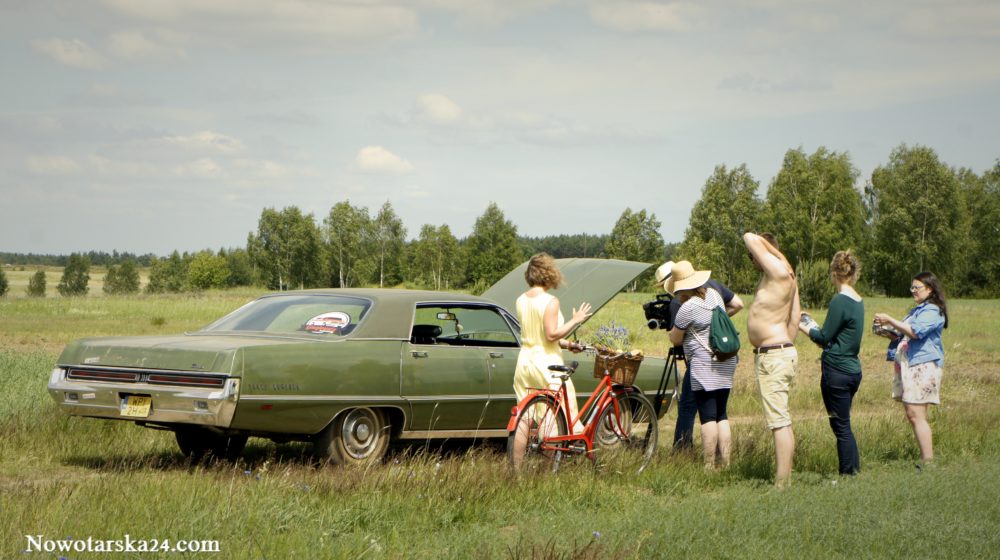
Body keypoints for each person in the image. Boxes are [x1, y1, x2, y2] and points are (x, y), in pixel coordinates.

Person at [654, 261, 744, 452]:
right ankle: (725, 461)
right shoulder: (715, 296)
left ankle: (707, 463)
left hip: (704, 365)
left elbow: (676, 340)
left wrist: (673, 331)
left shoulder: (686, 307)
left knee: (707, 416)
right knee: (722, 415)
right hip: (725, 360)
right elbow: (736, 305)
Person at [873, 271, 948, 468]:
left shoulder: (932, 310)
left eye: (917, 287)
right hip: (912, 364)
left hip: (923, 365)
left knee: (916, 414)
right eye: (912, 288)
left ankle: (928, 463)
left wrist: (889, 319)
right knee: (913, 414)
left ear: (930, 289)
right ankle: (926, 461)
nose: (913, 291)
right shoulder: (918, 310)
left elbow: (915, 332)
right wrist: (888, 332)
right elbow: (904, 333)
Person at [744, 232, 801, 487]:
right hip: (779, 351)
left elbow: (748, 236)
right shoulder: (785, 277)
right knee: (782, 420)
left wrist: (779, 254)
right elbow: (795, 319)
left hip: (774, 354)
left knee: (779, 423)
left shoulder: (779, 270)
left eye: (753, 257)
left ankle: (781, 483)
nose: (752, 261)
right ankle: (785, 478)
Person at [799, 251, 864, 475]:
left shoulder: (840, 300)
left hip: (836, 371)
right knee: (844, 423)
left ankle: (847, 473)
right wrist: (815, 326)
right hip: (853, 370)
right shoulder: (858, 300)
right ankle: (854, 468)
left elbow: (823, 337)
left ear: (833, 273)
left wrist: (803, 326)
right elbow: (837, 334)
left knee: (840, 426)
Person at [513, 253, 591, 433]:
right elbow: (550, 335)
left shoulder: (521, 300)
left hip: (524, 361)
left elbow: (539, 336)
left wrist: (568, 344)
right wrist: (575, 320)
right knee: (553, 415)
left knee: (525, 418)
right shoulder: (550, 301)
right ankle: (549, 461)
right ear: (549, 273)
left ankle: (515, 462)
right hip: (546, 364)